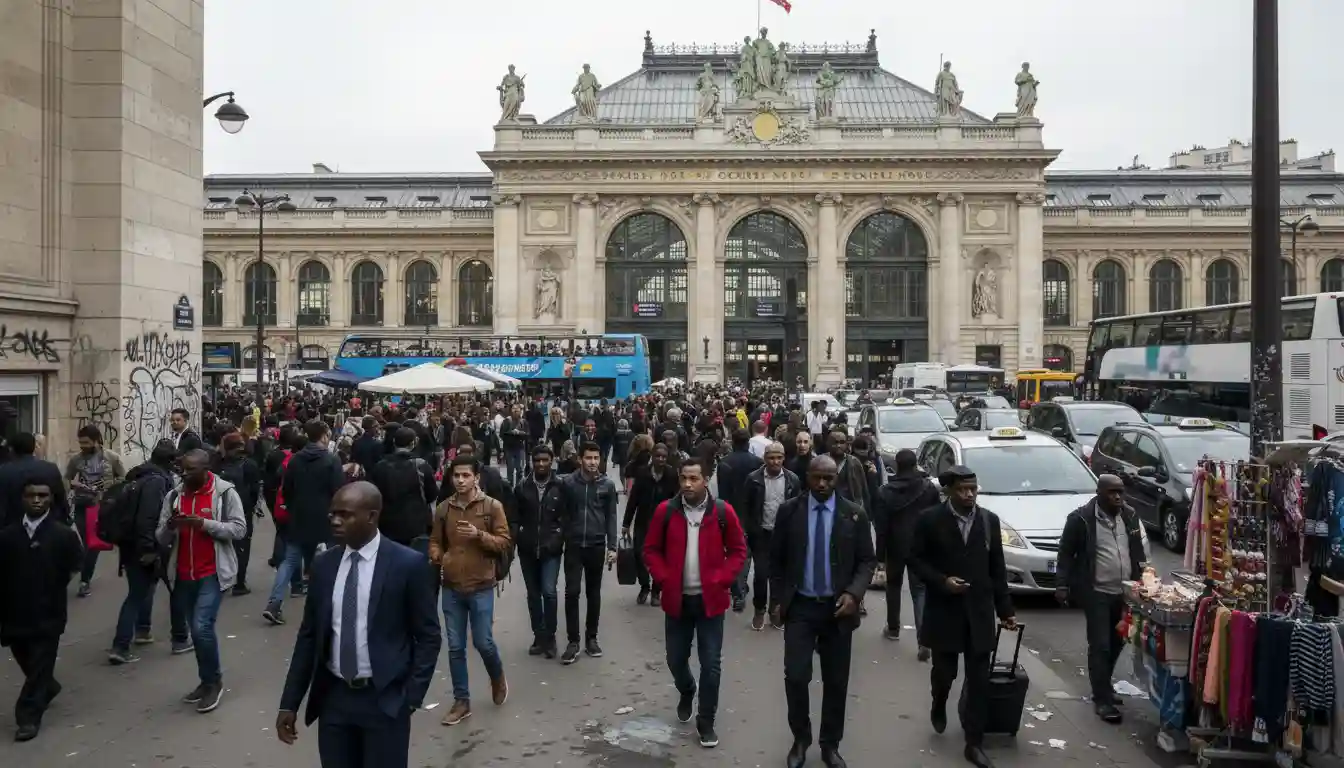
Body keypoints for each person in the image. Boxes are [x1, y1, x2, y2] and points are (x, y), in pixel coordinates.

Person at [275, 482, 442, 768]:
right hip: (334, 699)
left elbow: (428, 636)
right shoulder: (324, 565)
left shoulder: (408, 565)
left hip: (384, 700)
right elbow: (309, 636)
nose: (336, 521)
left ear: (372, 516)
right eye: (332, 515)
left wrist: (410, 699)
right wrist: (289, 702)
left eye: (345, 514)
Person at [770, 455, 876, 768]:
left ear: (836, 479)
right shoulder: (790, 512)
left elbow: (867, 561)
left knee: (836, 681)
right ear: (807, 476)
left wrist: (854, 594)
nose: (821, 484)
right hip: (801, 607)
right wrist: (777, 600)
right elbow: (775, 560)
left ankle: (830, 744)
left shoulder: (854, 515)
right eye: (816, 477)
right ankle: (800, 739)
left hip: (837, 611)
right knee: (796, 676)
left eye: (828, 479)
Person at [909, 466, 1017, 768]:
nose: (969, 495)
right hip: (945, 611)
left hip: (980, 612)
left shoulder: (988, 520)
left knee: (979, 680)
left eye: (973, 489)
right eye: (962, 490)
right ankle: (939, 702)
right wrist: (942, 581)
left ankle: (974, 742)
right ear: (949, 491)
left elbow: (997, 567)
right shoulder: (929, 520)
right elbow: (914, 559)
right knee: (945, 674)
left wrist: (1005, 611)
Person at [642, 457, 748, 749]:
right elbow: (650, 549)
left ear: (705, 480)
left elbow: (739, 550)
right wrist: (663, 578)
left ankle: (706, 720)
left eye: (694, 479)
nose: (688, 484)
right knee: (675, 659)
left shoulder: (723, 512)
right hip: (677, 601)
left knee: (711, 665)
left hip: (710, 602)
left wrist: (722, 579)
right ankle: (687, 689)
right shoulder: (666, 511)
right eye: (684, 479)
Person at [154, 449, 248, 714]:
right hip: (183, 574)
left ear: (206, 469)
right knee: (196, 630)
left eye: (190, 470)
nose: (183, 474)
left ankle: (214, 682)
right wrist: (171, 527)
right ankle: (205, 681)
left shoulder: (224, 493)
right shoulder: (174, 495)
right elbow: (160, 535)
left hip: (212, 573)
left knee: (201, 627)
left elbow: (239, 529)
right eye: (181, 469)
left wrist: (204, 524)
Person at [1056, 474, 1147, 725]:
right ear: (1099, 493)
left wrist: (1143, 577)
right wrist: (1062, 585)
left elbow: (1137, 549)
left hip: (1125, 593)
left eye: (1121, 492)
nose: (1118, 497)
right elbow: (1065, 553)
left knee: (1119, 641)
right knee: (1100, 645)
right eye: (1111, 492)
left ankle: (1104, 686)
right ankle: (1102, 700)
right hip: (1096, 592)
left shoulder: (1129, 516)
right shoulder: (1080, 519)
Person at [429, 456, 512, 726]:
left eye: (466, 475)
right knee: (455, 647)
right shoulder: (443, 509)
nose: (461, 480)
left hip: (481, 585)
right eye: (456, 476)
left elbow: (504, 542)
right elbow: (435, 542)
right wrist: (438, 556)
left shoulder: (492, 507)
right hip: (451, 587)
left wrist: (479, 535)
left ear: (476, 477)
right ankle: (461, 701)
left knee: (483, 641)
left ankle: (497, 676)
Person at [0, 479, 83, 741]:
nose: (37, 500)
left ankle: (28, 716)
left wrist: (52, 586)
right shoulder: (8, 536)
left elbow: (73, 566)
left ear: (51, 499)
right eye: (31, 495)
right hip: (15, 612)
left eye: (43, 495)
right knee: (24, 655)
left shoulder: (63, 535)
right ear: (22, 499)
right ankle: (48, 687)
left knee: (39, 663)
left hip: (48, 612)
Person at [265, 421, 345, 625]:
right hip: (324, 518)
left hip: (299, 517)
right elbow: (338, 490)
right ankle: (327, 606)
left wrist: (293, 508)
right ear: (324, 436)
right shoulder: (331, 460)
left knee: (290, 560)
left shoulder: (295, 460)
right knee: (327, 559)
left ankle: (274, 603)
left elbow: (287, 489)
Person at [107, 440, 178, 663]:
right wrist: (149, 549)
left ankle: (143, 630)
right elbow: (147, 517)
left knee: (145, 586)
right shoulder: (157, 482)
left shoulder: (137, 475)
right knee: (137, 594)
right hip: (142, 544)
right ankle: (120, 646)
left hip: (129, 543)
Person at [873, 448, 940, 654]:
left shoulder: (884, 492)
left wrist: (880, 558)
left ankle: (893, 628)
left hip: (894, 546)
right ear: (915, 464)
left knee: (893, 586)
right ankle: (923, 640)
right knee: (919, 591)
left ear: (896, 466)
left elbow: (881, 528)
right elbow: (936, 519)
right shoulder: (928, 488)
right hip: (921, 547)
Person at [557, 442, 619, 664]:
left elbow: (611, 516)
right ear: (580, 459)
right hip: (573, 545)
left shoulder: (607, 486)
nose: (592, 462)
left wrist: (613, 546)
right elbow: (560, 512)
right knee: (571, 592)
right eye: (588, 458)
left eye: (596, 458)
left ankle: (591, 638)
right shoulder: (568, 483)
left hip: (596, 545)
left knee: (594, 594)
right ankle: (573, 642)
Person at [740, 441, 801, 630]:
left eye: (779, 458)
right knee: (761, 575)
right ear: (765, 459)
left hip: (783, 536)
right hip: (761, 535)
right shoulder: (753, 479)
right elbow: (745, 507)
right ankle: (759, 610)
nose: (775, 461)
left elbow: (797, 507)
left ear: (784, 458)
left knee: (779, 576)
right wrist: (749, 529)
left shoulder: (793, 480)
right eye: (771, 458)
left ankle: (775, 610)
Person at [513, 445, 565, 657]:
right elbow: (514, 518)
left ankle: (550, 636)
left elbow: (566, 518)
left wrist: (557, 540)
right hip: (527, 549)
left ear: (551, 461)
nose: (541, 464)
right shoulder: (522, 487)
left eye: (545, 460)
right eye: (537, 460)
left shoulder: (561, 486)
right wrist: (518, 537)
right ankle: (539, 635)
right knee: (533, 595)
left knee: (549, 592)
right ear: (532, 462)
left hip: (551, 549)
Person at [65, 425, 126, 597]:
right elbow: (67, 477)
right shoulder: (76, 459)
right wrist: (73, 484)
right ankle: (77, 571)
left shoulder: (111, 458)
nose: (83, 446)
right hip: (81, 504)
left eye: (86, 442)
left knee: (93, 545)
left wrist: (108, 489)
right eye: (80, 442)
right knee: (83, 543)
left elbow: (123, 478)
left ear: (96, 440)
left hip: (100, 507)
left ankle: (85, 580)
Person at [717, 428, 763, 612]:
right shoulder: (758, 463)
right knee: (750, 553)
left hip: (733, 513)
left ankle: (739, 591)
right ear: (748, 443)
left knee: (736, 554)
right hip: (755, 514)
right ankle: (742, 587)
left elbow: (722, 493)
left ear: (733, 442)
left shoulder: (725, 464)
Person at [213, 432, 262, 596]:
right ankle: (240, 582)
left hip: (219, 510)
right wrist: (252, 507)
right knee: (242, 545)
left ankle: (221, 578)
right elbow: (255, 490)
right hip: (242, 510)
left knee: (220, 543)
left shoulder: (217, 464)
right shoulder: (250, 465)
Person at [0, 432, 67, 529]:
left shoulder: (4, 471)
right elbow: (61, 501)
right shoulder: (50, 469)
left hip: (13, 529)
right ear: (34, 447)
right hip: (47, 528)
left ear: (11, 449)